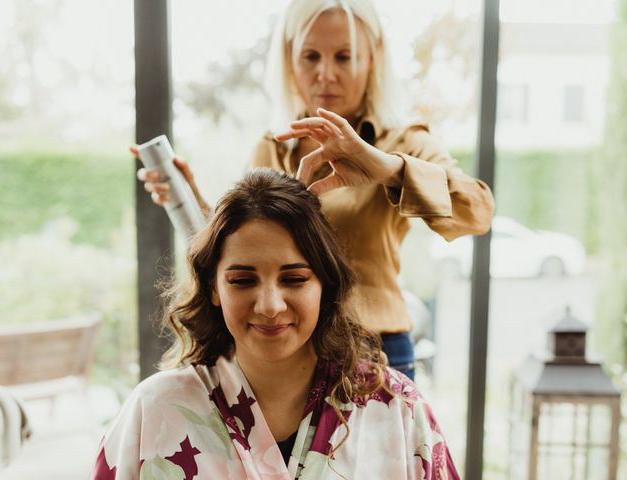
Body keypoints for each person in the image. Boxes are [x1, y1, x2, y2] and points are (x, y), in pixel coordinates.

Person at [137, 0, 495, 379]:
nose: (325, 74)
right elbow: (245, 258)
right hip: (286, 356)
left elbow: (477, 212)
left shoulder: (402, 141)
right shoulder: (272, 147)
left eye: (344, 57)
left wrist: (385, 167)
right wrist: (194, 206)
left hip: (375, 352)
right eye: (310, 56)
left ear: (372, 60)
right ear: (290, 61)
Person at [91, 169, 459, 479]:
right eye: (242, 280)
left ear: (324, 286)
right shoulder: (156, 408)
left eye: (294, 279)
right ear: (213, 288)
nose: (269, 306)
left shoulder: (395, 406)